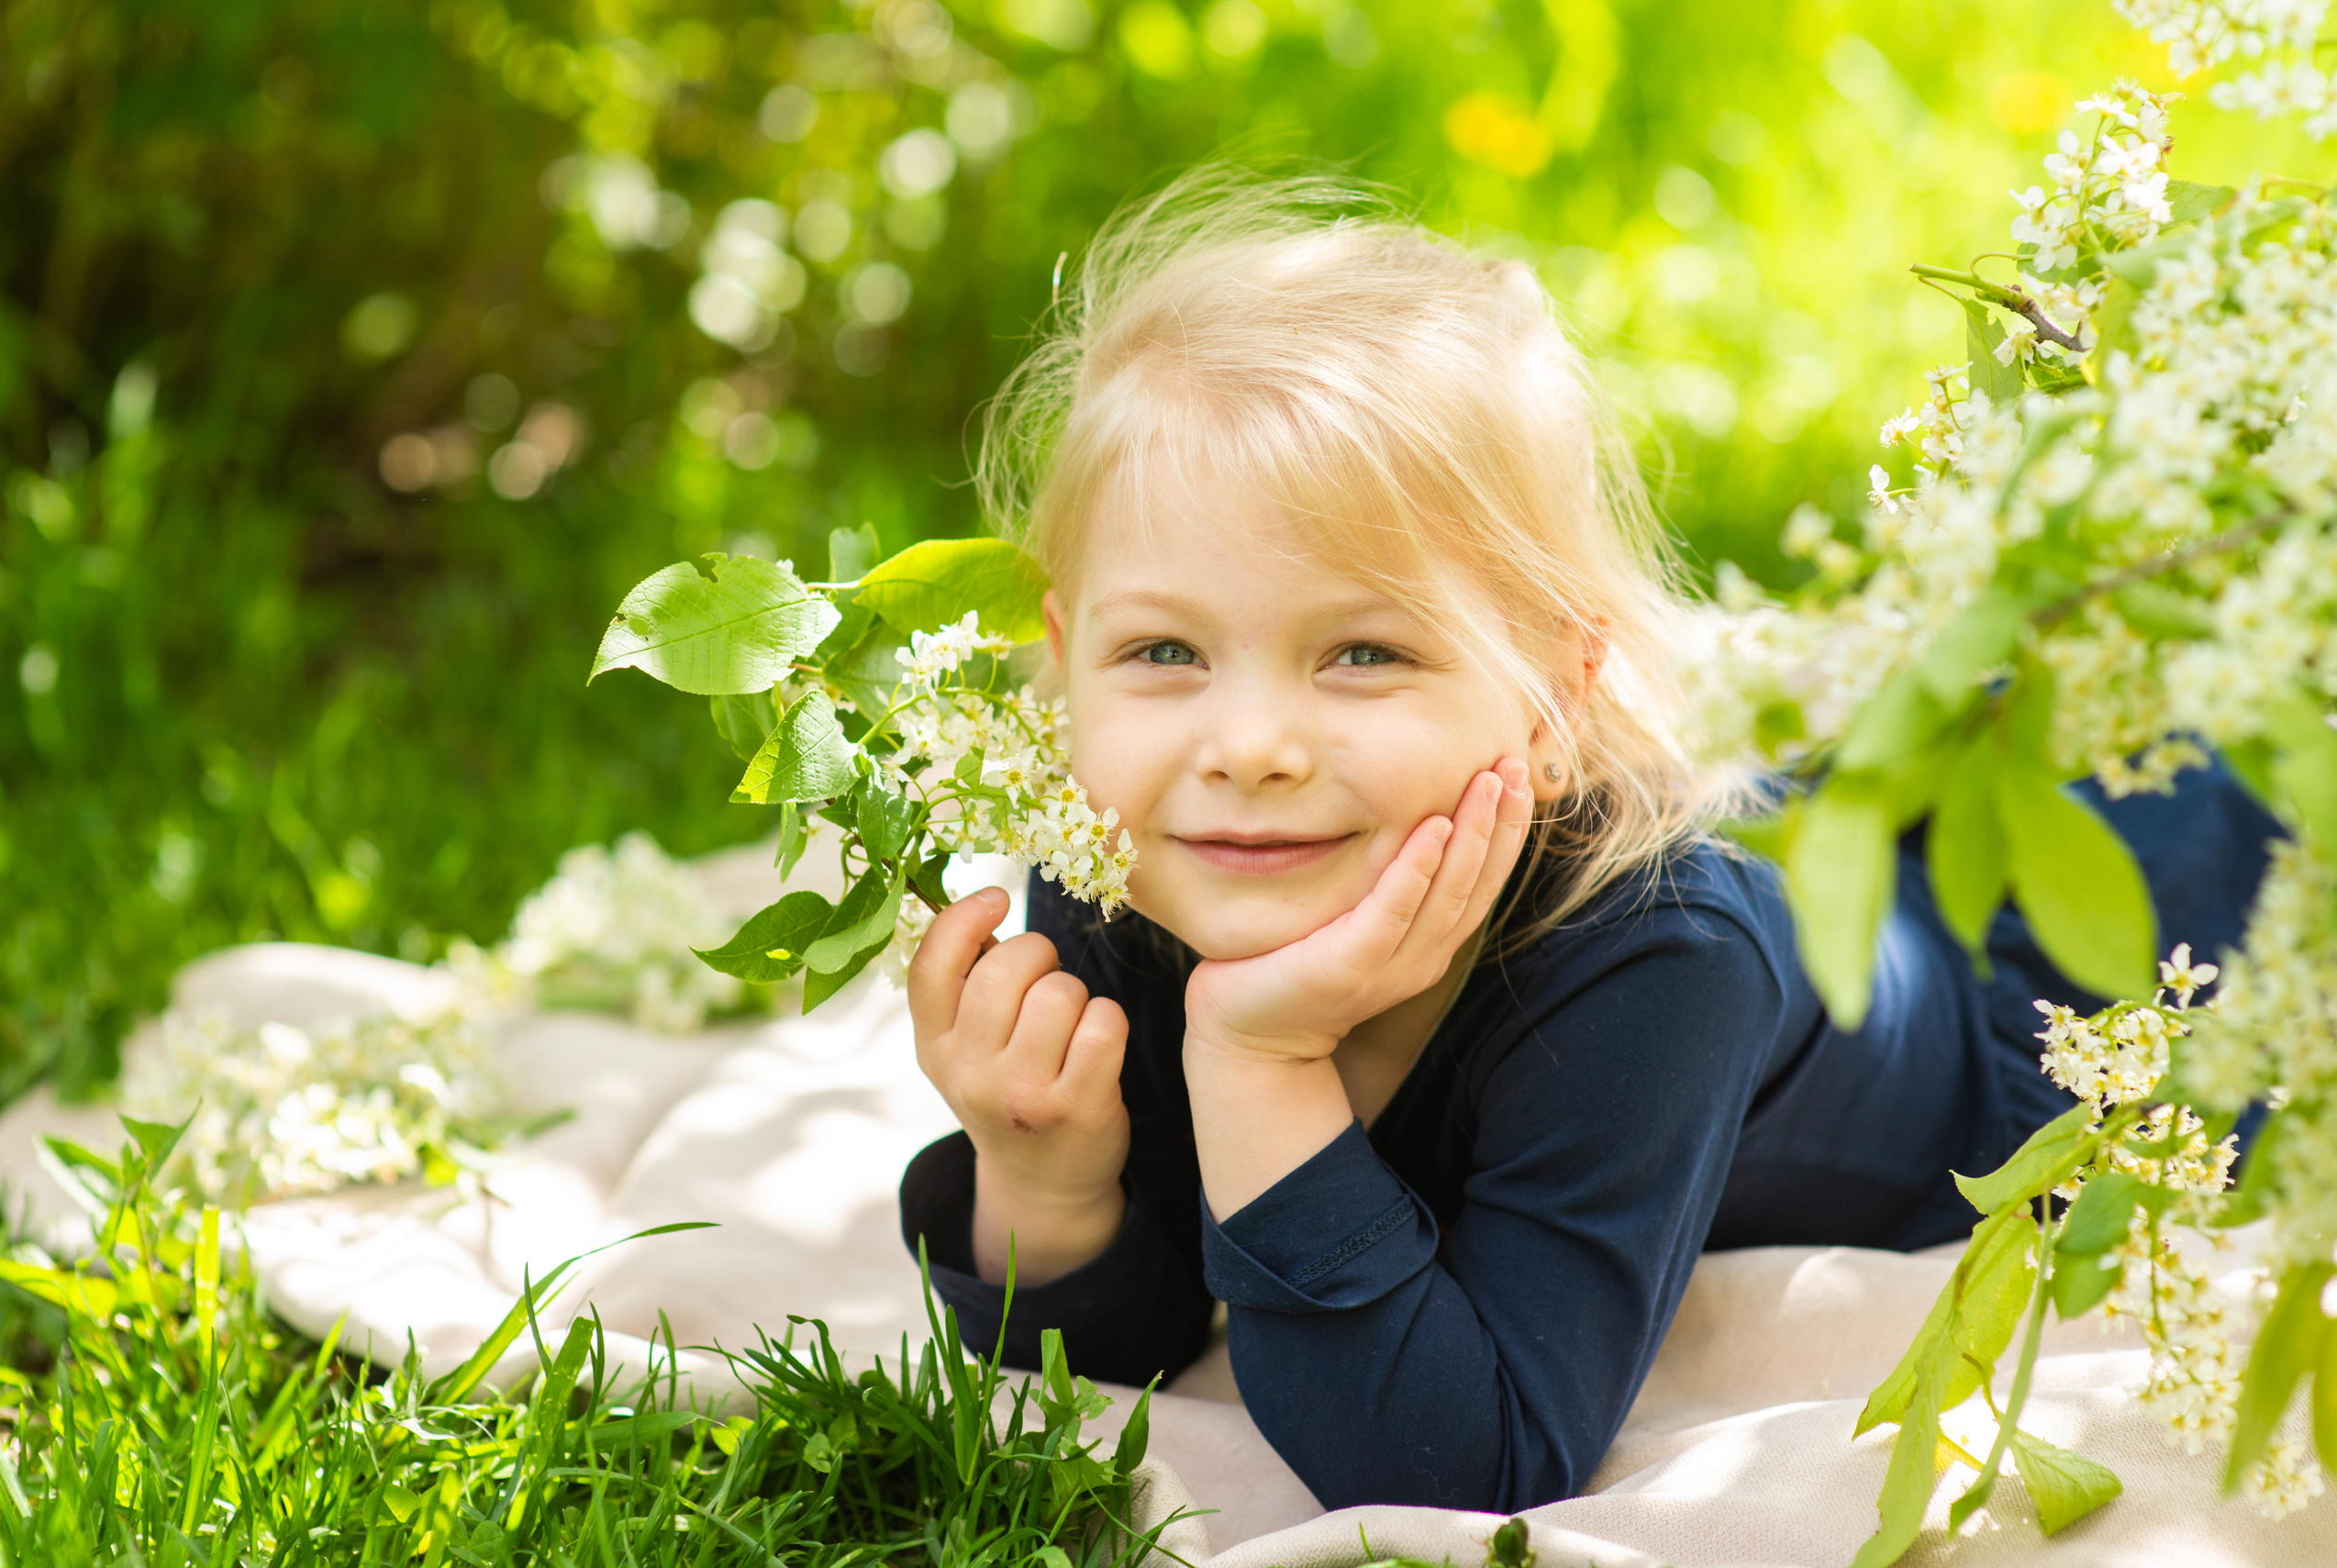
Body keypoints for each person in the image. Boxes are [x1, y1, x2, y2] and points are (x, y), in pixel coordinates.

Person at [894, 172, 2282, 1513]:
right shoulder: (1135, 846)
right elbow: (1119, 1339)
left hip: (2092, 979)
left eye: (1364, 650)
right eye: (1165, 650)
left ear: (1555, 701)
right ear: (1068, 662)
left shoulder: (1651, 958)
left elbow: (1464, 1464)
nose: (1246, 741)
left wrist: (1257, 1060)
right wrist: (1045, 1179)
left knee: (2255, 778)